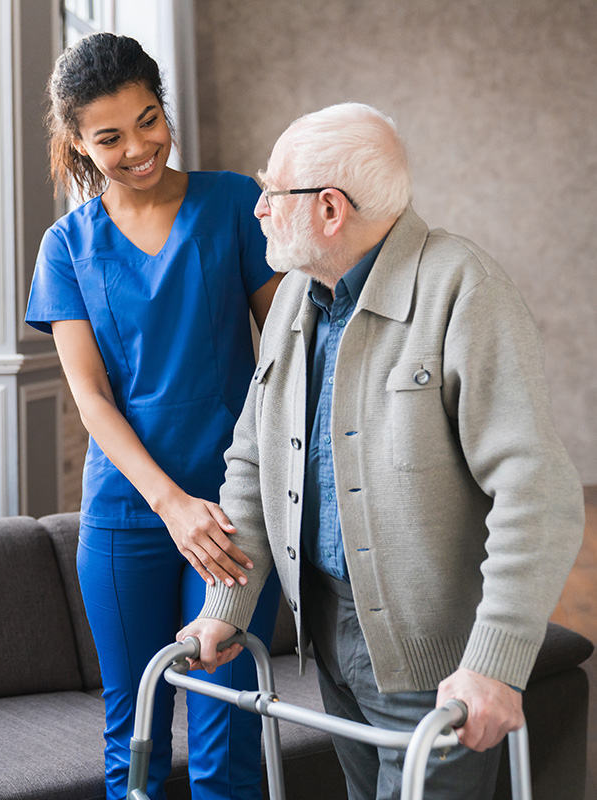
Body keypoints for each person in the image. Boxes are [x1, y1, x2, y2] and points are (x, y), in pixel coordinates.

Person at [178, 102, 585, 799]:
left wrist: (494, 663)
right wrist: (226, 604)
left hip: (438, 662)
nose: (259, 211)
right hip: (328, 639)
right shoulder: (294, 302)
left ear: (330, 209)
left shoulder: (462, 288)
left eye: (271, 193)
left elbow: (536, 492)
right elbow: (253, 460)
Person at [25, 32, 281, 800]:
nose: (139, 147)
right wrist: (169, 505)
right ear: (76, 140)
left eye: (148, 119)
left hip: (234, 516)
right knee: (132, 735)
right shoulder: (65, 246)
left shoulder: (235, 204)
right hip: (126, 518)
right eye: (109, 136)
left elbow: (285, 360)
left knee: (226, 735)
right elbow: (91, 399)